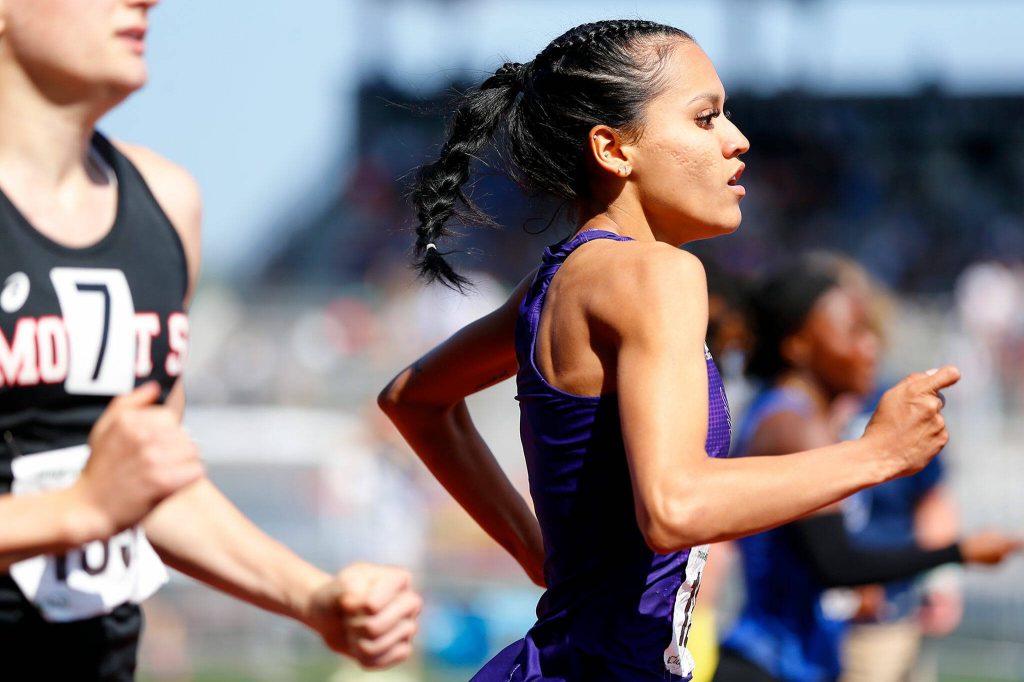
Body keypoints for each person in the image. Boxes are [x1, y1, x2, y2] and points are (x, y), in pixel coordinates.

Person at [379, 18, 962, 682]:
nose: (737, 141)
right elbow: (674, 506)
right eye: (705, 118)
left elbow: (415, 399)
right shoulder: (658, 274)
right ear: (613, 149)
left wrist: (541, 558)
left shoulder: (556, 280)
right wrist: (875, 456)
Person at [0, 1, 420, 678]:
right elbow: (102, 499)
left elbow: (155, 488)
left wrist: (313, 598)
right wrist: (75, 511)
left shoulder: (164, 203)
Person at [714, 263, 1021, 682]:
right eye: (853, 331)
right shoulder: (792, 423)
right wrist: (961, 552)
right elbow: (837, 563)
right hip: (768, 663)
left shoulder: (802, 417)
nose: (871, 346)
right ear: (798, 346)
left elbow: (814, 562)